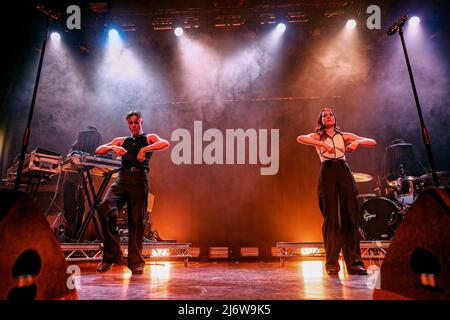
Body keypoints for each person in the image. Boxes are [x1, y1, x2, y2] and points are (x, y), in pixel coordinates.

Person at [297, 107, 376, 275]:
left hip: (343, 170)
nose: (328, 116)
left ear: (335, 118)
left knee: (350, 214)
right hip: (327, 171)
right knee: (331, 216)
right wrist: (322, 143)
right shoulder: (318, 136)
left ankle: (355, 263)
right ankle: (332, 263)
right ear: (321, 121)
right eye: (324, 115)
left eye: (330, 114)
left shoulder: (343, 135)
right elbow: (300, 138)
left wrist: (357, 142)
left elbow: (372, 141)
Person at [95, 111, 169, 274]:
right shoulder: (122, 140)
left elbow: (165, 143)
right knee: (106, 207)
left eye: (136, 122)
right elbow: (99, 150)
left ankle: (135, 262)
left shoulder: (148, 137)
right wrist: (113, 147)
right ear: (128, 124)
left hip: (139, 180)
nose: (134, 125)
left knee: (136, 221)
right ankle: (111, 257)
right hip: (122, 179)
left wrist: (145, 149)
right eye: (131, 122)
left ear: (141, 121)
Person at [63, 126, 103, 239]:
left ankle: (76, 238)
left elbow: (98, 157)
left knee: (81, 208)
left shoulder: (93, 145)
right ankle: (69, 237)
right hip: (72, 179)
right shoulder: (77, 143)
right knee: (71, 210)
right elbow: (70, 157)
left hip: (82, 180)